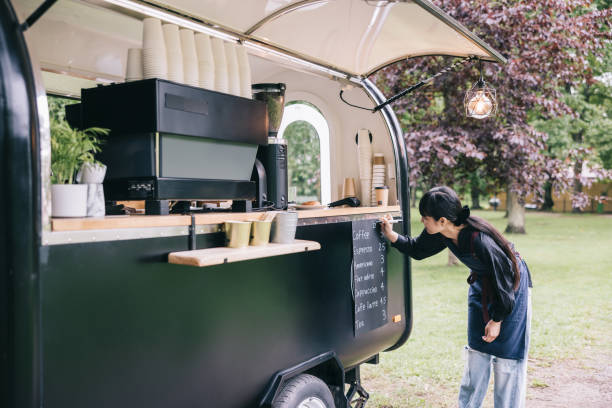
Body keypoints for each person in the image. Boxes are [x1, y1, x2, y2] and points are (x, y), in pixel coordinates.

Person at [379, 186, 532, 408]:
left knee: (507, 362)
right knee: (477, 351)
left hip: (510, 290)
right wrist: (391, 234)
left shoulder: (479, 239)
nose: (422, 221)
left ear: (442, 220)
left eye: (425, 217)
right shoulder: (443, 233)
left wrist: (497, 320)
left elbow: (507, 279)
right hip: (483, 284)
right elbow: (418, 250)